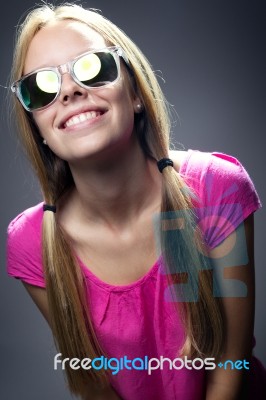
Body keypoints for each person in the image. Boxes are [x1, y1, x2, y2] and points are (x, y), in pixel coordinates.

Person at [6, 2, 265, 400]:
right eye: (41, 87)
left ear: (136, 93)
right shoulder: (31, 242)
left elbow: (229, 367)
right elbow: (95, 387)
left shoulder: (217, 190)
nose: (71, 90)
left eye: (93, 66)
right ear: (38, 127)